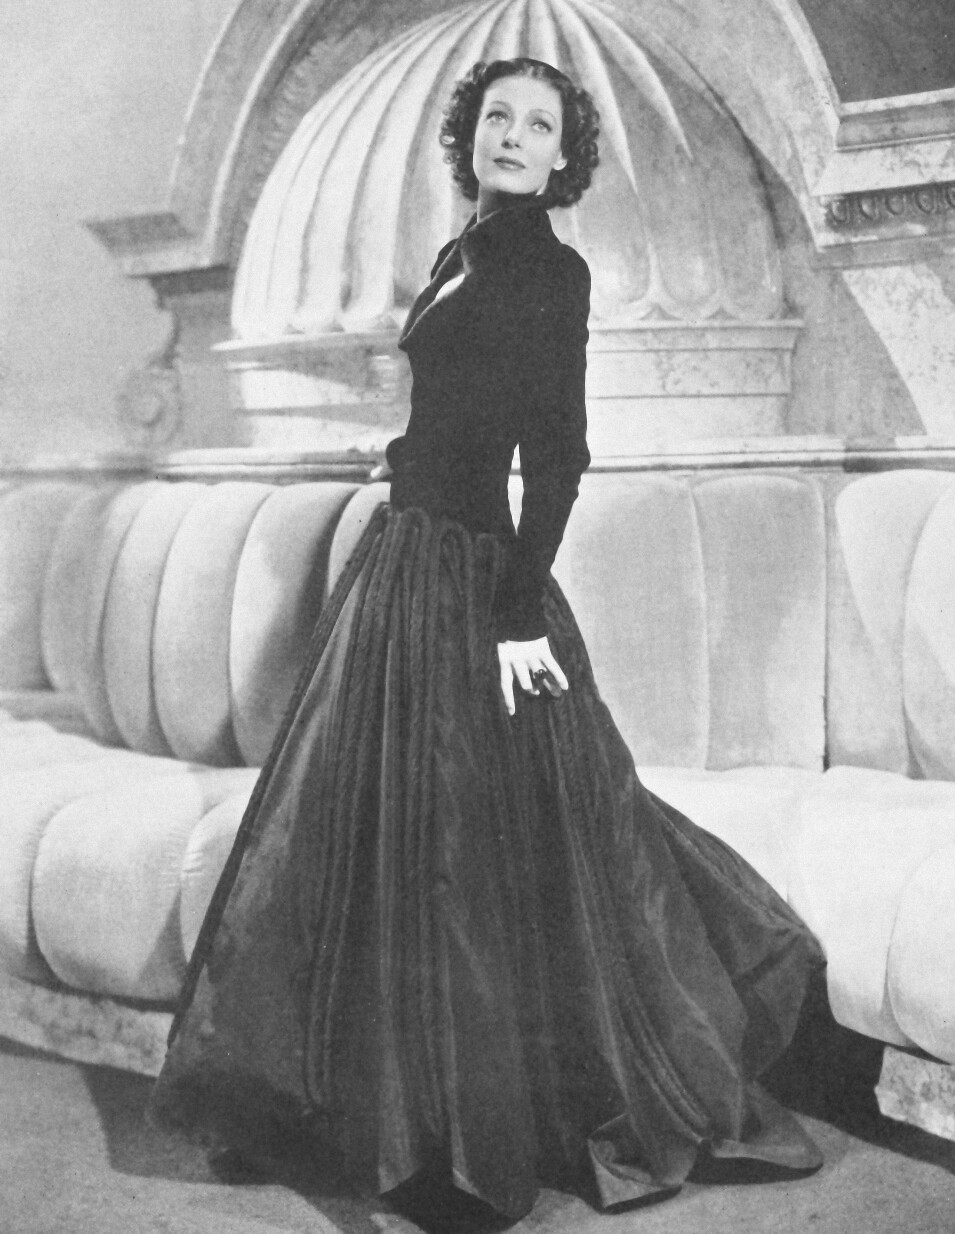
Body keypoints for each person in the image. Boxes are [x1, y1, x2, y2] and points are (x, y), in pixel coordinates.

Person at [149, 57, 824, 1222]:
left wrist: (514, 613)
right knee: (377, 842)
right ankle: (369, 1118)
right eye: (497, 117)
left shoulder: (549, 269)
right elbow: (446, 415)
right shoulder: (461, 253)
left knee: (471, 854)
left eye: (538, 125)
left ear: (564, 158)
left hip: (473, 581)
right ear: (470, 136)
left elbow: (556, 457)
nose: (513, 135)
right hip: (403, 561)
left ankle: (467, 1146)